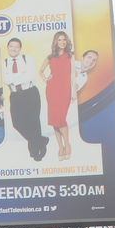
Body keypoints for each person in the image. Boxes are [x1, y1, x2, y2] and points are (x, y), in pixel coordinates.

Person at [1, 37, 49, 161]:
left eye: (16, 47)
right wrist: (21, 75)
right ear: (7, 47)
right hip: (16, 95)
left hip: (31, 92)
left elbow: (30, 75)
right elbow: (5, 80)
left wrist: (13, 77)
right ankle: (40, 140)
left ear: (20, 48)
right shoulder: (3, 63)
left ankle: (36, 153)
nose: (13, 49)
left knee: (33, 122)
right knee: (17, 123)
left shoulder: (28, 58)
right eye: (11, 46)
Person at [40, 32, 77, 160]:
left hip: (64, 90)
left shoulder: (70, 55)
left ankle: (67, 144)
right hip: (52, 90)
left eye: (64, 40)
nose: (62, 42)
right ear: (55, 41)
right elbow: (40, 71)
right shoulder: (50, 57)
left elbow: (73, 74)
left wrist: (74, 92)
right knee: (55, 120)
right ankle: (60, 146)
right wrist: (45, 79)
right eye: (60, 40)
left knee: (60, 119)